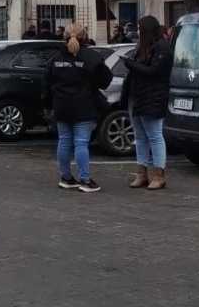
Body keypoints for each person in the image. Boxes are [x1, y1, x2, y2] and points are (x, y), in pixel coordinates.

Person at [44, 23, 113, 193]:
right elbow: (105, 80)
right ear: (84, 37)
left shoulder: (55, 58)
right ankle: (85, 179)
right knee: (81, 142)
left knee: (64, 141)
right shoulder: (91, 57)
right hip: (84, 105)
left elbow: (46, 83)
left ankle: (66, 177)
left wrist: (47, 104)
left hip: (61, 105)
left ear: (64, 36)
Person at [122, 15, 173, 190]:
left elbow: (153, 71)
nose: (137, 31)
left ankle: (158, 174)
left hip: (153, 97)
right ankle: (141, 173)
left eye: (139, 28)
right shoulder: (141, 47)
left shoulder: (162, 48)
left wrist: (130, 64)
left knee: (155, 135)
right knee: (140, 137)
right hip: (138, 96)